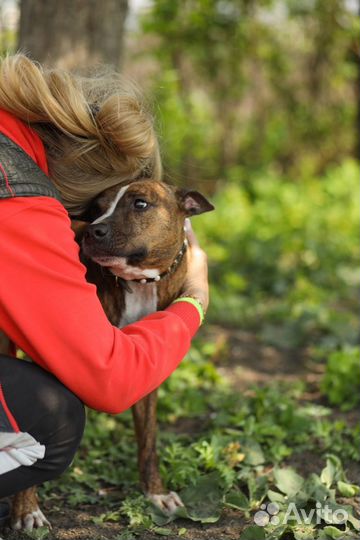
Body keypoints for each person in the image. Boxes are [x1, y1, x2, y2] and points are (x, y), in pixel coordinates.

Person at [0, 54, 209, 499]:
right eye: (88, 209)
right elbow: (110, 382)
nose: (82, 225)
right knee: (51, 422)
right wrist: (194, 300)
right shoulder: (19, 197)